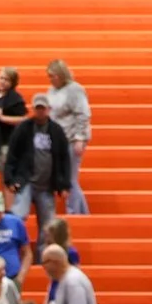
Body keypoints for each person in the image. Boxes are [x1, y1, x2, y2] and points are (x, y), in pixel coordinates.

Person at [7, 97, 75, 243]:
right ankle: (13, 247)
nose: (40, 112)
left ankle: (44, 258)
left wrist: (64, 185)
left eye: (42, 108)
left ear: (48, 109)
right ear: (33, 109)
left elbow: (65, 159)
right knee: (18, 215)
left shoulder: (56, 131)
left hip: (46, 186)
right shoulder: (23, 128)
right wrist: (10, 179)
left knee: (48, 225)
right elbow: (12, 154)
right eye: (37, 108)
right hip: (26, 181)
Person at [44, 60, 91, 216]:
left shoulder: (75, 90)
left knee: (69, 179)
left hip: (71, 138)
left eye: (53, 76)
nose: (51, 79)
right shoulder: (51, 91)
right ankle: (82, 213)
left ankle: (75, 213)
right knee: (68, 178)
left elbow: (82, 114)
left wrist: (79, 138)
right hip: (58, 139)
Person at [0, 66, 28, 171]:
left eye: (6, 79)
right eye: (1, 78)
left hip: (7, 143)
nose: (2, 81)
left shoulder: (16, 99)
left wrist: (2, 117)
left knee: (6, 175)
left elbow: (22, 119)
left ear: (12, 82)